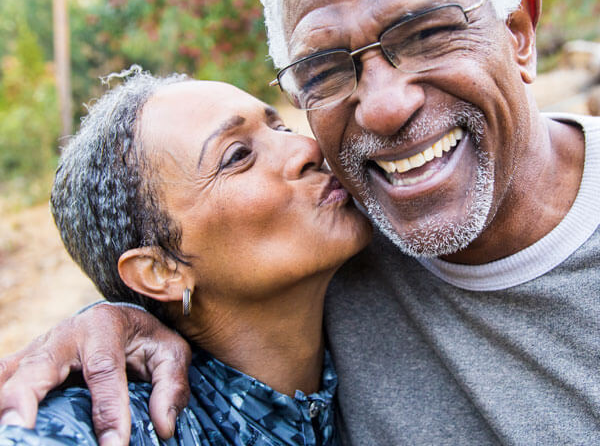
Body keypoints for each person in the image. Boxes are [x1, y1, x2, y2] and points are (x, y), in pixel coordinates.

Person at [1, 0, 599, 446]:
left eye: (427, 33)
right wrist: (103, 323)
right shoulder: (359, 225)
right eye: (326, 71)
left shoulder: (355, 222)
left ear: (518, 32)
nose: (384, 108)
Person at [0, 69, 371, 445]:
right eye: (238, 155)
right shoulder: (121, 422)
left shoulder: (391, 245)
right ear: (161, 270)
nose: (307, 149)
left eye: (282, 129)